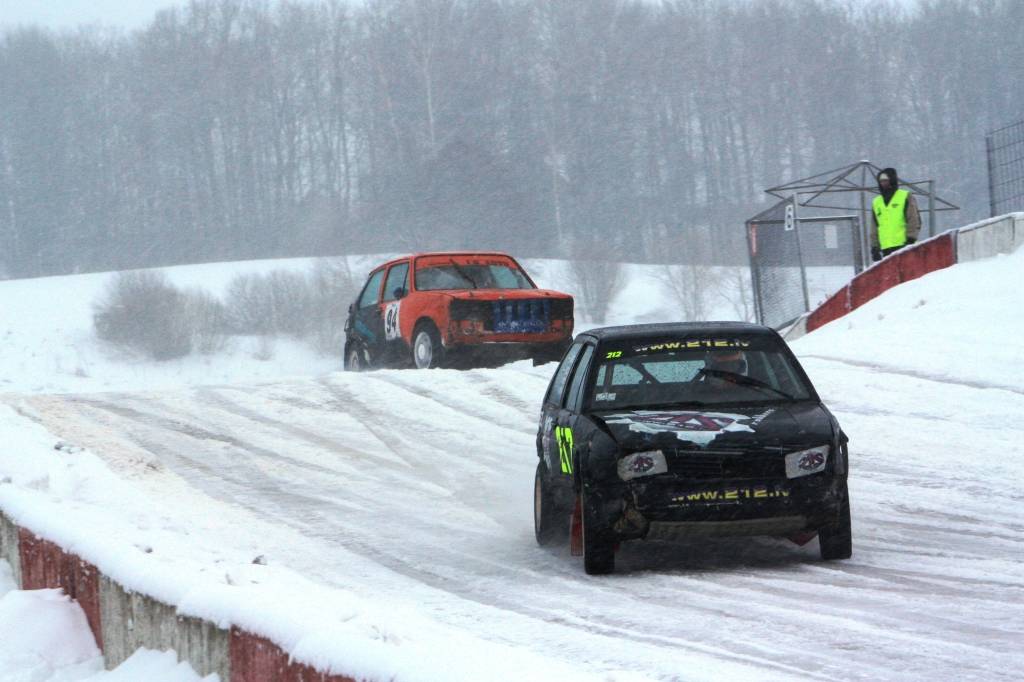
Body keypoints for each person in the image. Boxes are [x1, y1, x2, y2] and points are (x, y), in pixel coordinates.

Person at [871, 167, 921, 262]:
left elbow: (913, 219)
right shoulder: (876, 202)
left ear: (892, 180)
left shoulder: (905, 196)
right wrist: (875, 247)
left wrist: (911, 239)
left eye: (886, 180)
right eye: (881, 181)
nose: (883, 183)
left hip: (903, 245)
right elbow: (874, 226)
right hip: (886, 247)